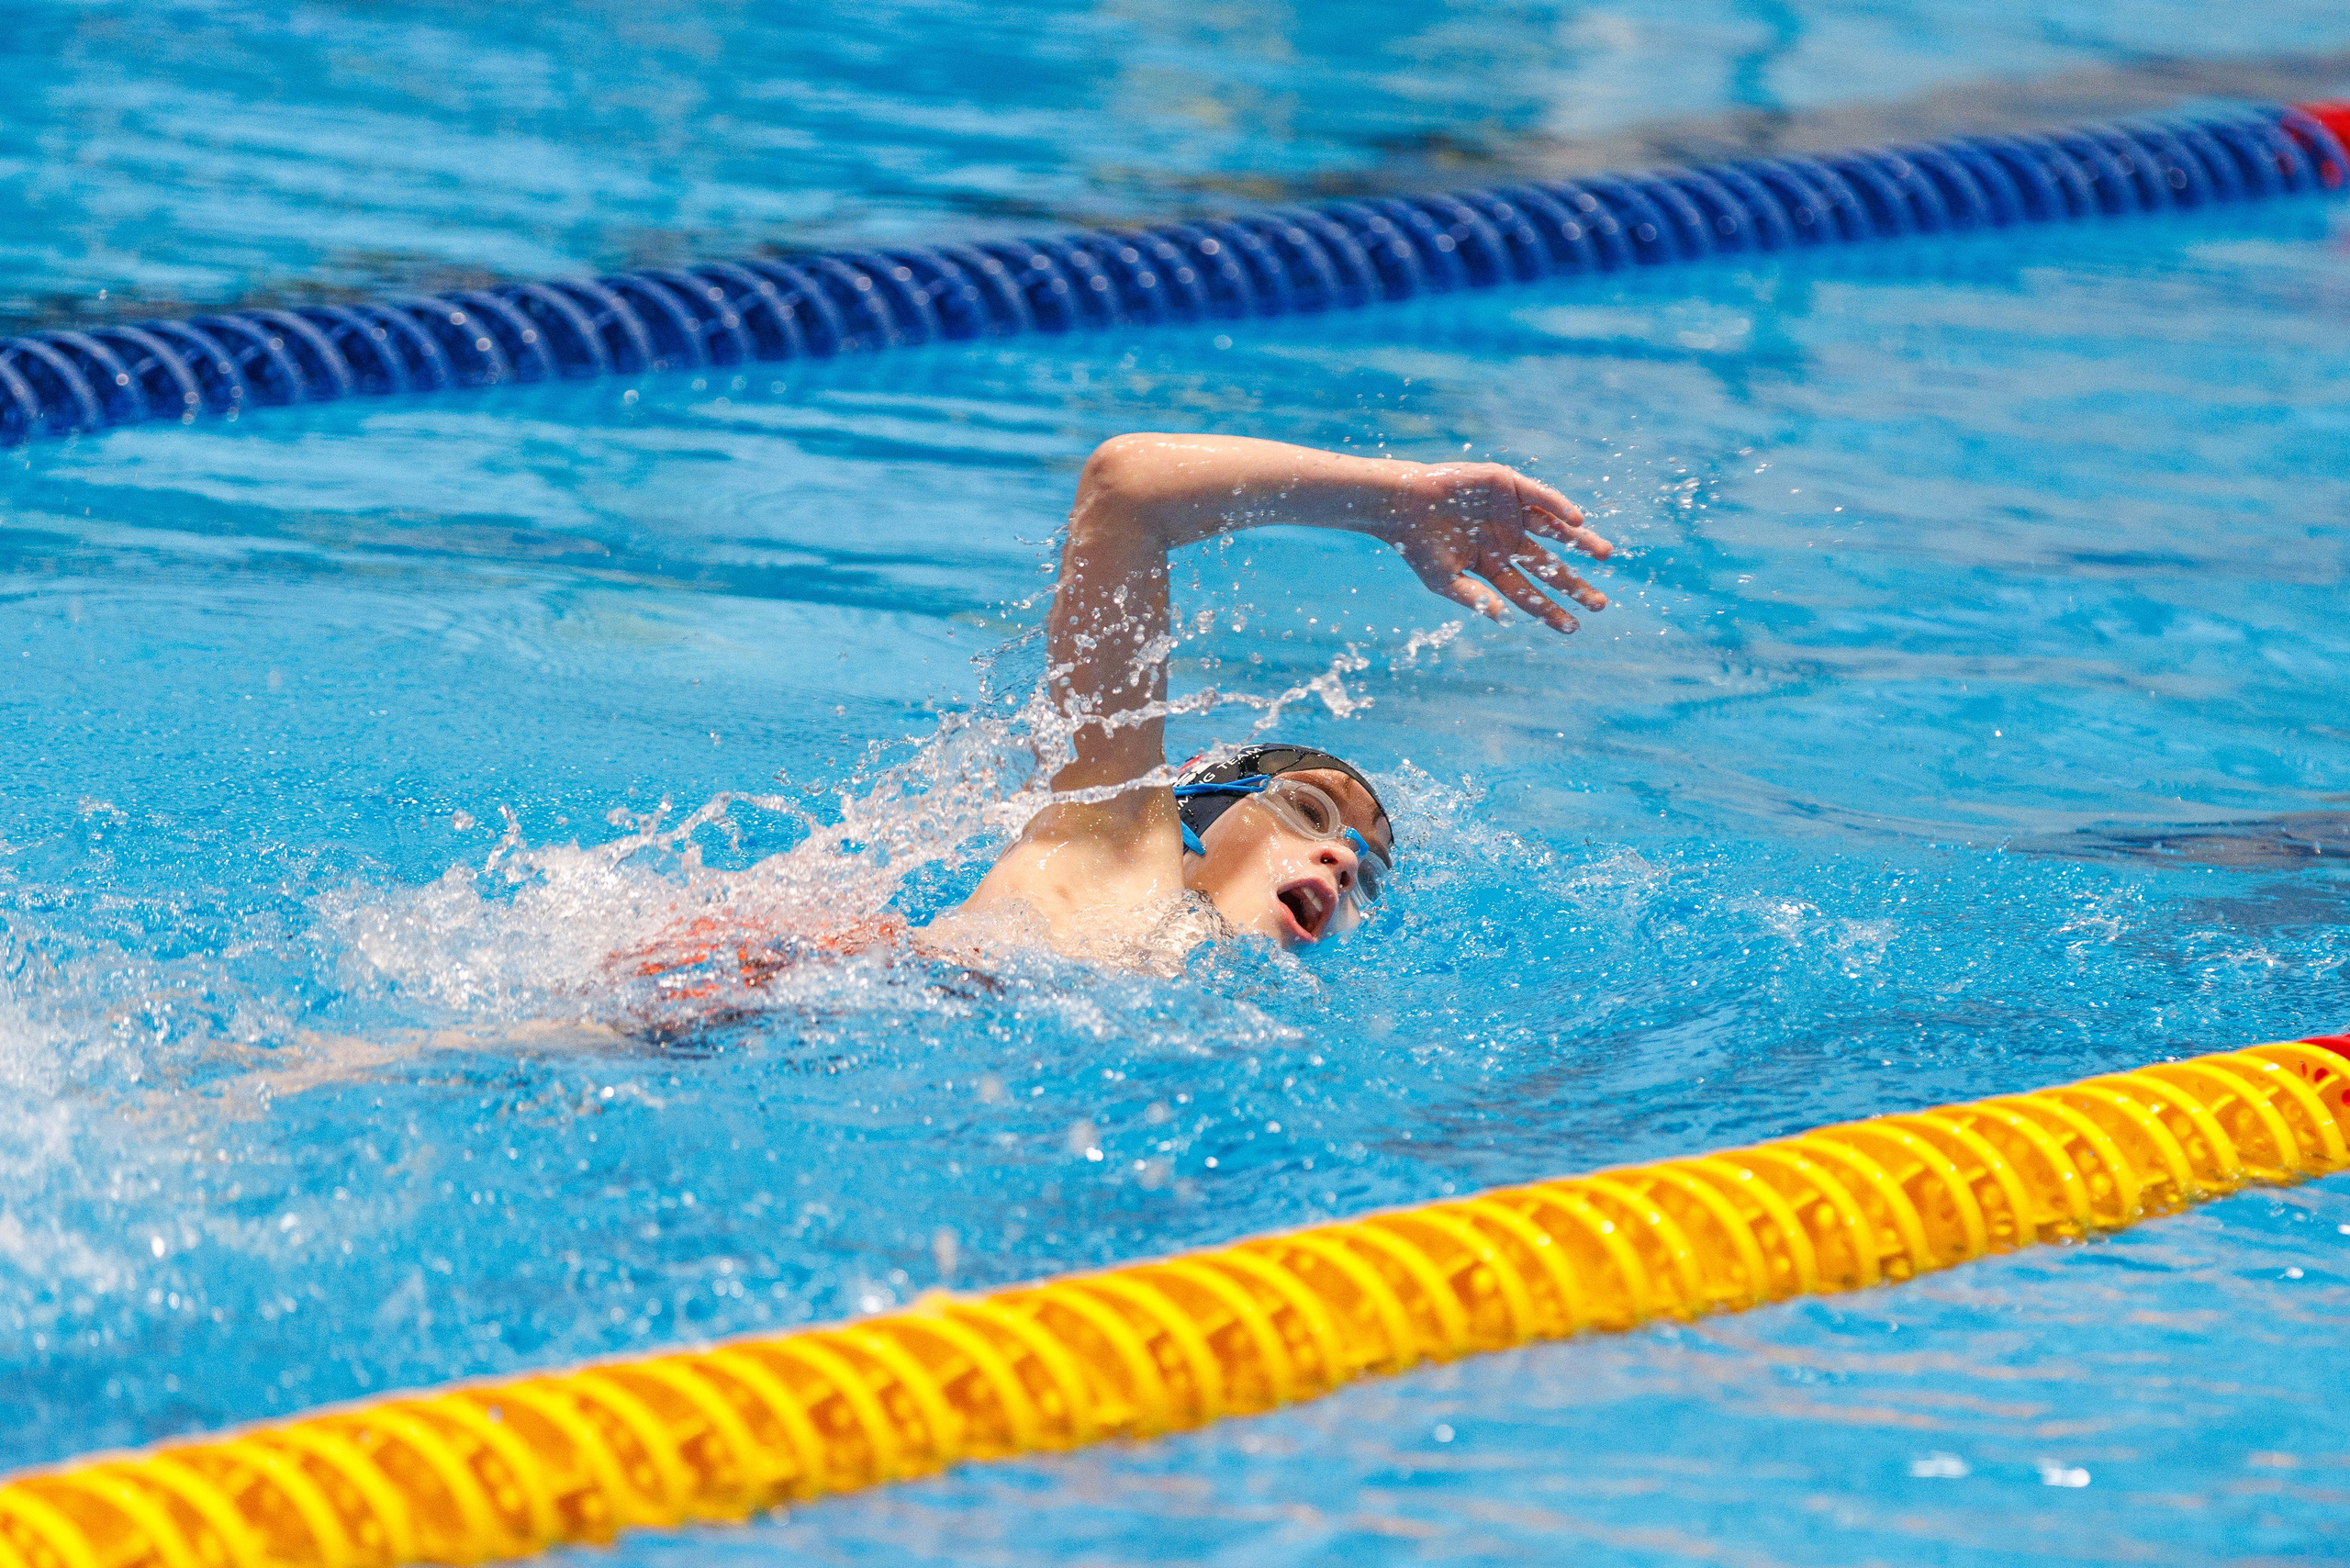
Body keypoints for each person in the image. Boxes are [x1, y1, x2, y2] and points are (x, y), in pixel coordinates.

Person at [921, 432, 1612, 972]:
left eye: (1366, 878)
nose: (1342, 866)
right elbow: (1125, 490)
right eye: (1309, 812)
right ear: (1190, 808)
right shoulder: (1108, 849)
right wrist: (1394, 500)